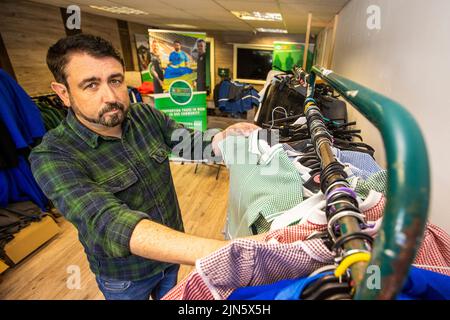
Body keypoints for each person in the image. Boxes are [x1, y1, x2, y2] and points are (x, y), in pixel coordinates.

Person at [29, 34, 261, 300]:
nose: (110, 96)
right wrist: (230, 252)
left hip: (170, 259)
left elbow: (189, 142)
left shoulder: (144, 115)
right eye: (91, 85)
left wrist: (223, 137)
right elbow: (108, 221)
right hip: (126, 276)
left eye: (115, 80)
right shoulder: (53, 155)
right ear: (63, 93)